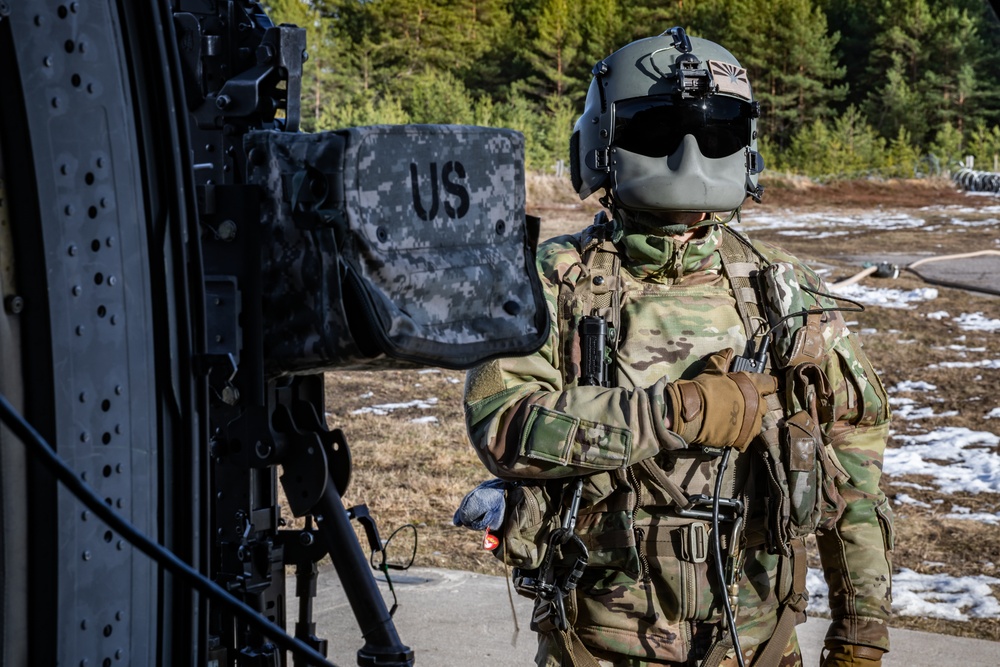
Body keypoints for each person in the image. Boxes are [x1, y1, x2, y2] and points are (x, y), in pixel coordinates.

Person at [455, 27, 893, 667]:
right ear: (601, 144)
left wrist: (862, 632)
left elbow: (855, 468)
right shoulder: (552, 280)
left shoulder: (785, 289)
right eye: (656, 129)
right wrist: (675, 413)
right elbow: (502, 426)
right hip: (594, 645)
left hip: (760, 644)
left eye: (716, 132)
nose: (690, 154)